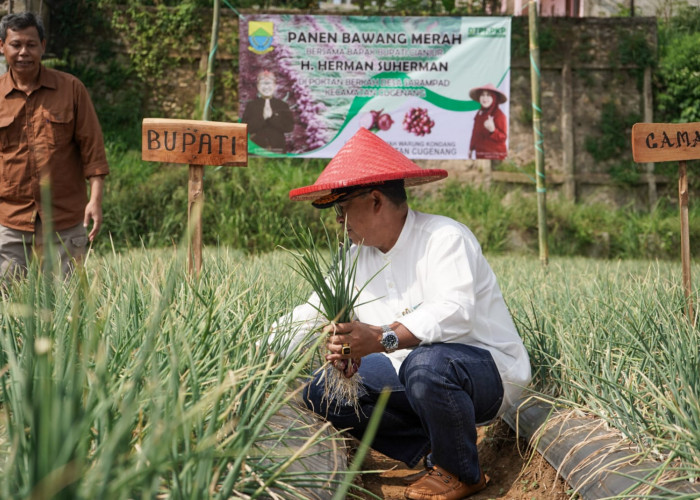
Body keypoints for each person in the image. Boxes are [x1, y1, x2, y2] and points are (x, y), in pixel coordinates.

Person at [276, 128, 531, 500]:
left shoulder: (445, 238)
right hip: (406, 372)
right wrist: (250, 358)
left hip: (484, 373)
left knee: (427, 365)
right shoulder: (354, 258)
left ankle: (462, 472)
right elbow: (309, 313)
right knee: (322, 390)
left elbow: (454, 312)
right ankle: (435, 453)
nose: (339, 222)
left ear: (375, 200)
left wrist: (380, 338)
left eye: (343, 209)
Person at [0, 11, 109, 279]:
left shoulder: (71, 89)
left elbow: (92, 150)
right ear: (1, 46)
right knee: (10, 308)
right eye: (16, 44)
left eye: (31, 44)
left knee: (66, 308)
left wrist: (95, 200)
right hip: (10, 221)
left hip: (65, 221)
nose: (23, 52)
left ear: (43, 46)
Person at [241, 70, 294, 153]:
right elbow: (245, 128)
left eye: (269, 83)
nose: (266, 87)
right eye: (262, 83)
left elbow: (289, 127)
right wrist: (263, 118)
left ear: (275, 86)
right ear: (258, 86)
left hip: (278, 149)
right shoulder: (251, 105)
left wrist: (272, 118)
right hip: (257, 150)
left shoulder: (282, 105)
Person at [468, 83, 508, 160]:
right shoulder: (479, 113)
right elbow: (475, 132)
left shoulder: (499, 115)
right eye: (482, 95)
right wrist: (471, 147)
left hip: (496, 156)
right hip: (480, 154)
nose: (485, 98)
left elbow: (503, 138)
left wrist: (493, 130)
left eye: (488, 95)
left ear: (494, 98)